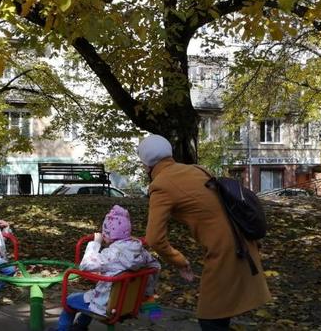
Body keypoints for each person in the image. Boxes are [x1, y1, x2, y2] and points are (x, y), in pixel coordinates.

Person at [138, 134, 271, 331]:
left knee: (211, 318)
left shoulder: (160, 185)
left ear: (146, 165)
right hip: (243, 241)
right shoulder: (197, 169)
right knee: (219, 314)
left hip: (225, 253)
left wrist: (179, 260)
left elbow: (154, 238)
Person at [57, 205, 160, 331]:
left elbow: (85, 265)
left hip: (106, 305)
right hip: (128, 304)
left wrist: (95, 243)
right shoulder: (141, 252)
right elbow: (155, 266)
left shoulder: (111, 254)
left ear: (107, 235)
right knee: (89, 296)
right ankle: (80, 327)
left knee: (70, 300)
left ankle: (62, 329)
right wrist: (146, 293)